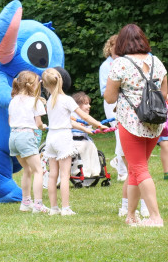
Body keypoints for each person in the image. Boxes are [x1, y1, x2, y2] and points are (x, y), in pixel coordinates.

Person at [104, 23, 168, 227]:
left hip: (131, 122)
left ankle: (155, 217)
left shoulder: (120, 64)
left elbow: (109, 98)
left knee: (139, 168)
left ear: (122, 43)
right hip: (155, 122)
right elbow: (164, 95)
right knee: (135, 169)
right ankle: (131, 215)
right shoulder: (157, 62)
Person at [41, 69, 102, 215]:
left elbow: (67, 120)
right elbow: (84, 117)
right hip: (63, 138)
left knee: (53, 174)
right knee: (64, 175)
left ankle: (54, 208)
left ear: (46, 85)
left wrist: (86, 130)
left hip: (51, 138)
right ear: (60, 81)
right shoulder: (66, 99)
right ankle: (66, 208)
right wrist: (99, 124)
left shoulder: (50, 101)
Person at [100, 33, 147, 217]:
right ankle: (133, 206)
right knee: (135, 166)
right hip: (122, 114)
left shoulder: (141, 62)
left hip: (138, 115)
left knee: (136, 167)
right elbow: (109, 94)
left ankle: (130, 206)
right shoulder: (111, 66)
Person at [7, 70, 49, 213]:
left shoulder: (13, 101)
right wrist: (43, 126)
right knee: (38, 171)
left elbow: (10, 121)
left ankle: (25, 203)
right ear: (33, 85)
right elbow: (38, 123)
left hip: (13, 137)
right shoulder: (35, 101)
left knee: (28, 169)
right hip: (26, 136)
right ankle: (38, 205)